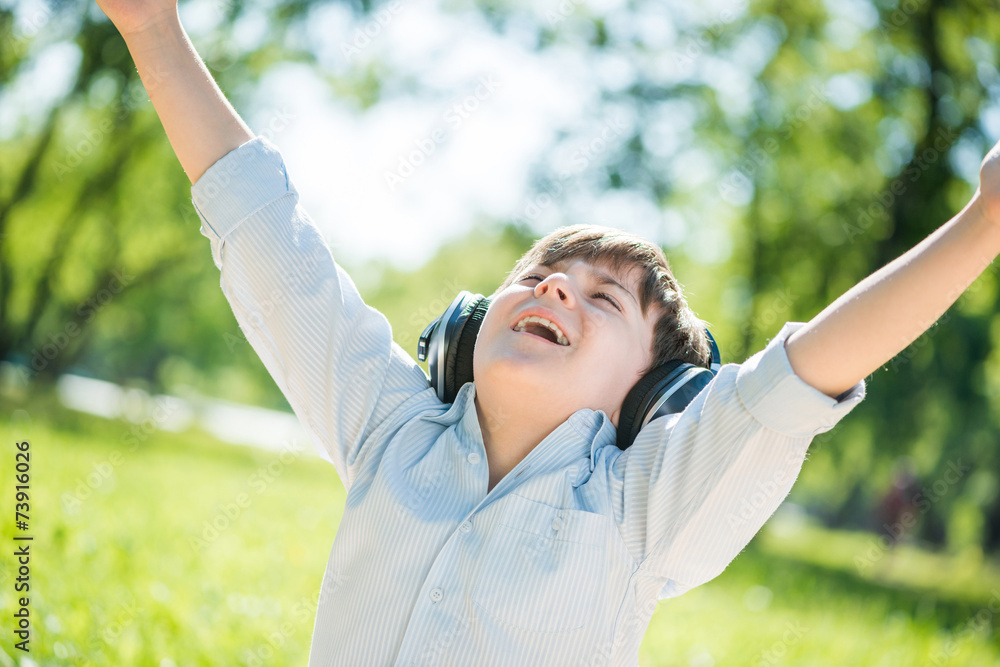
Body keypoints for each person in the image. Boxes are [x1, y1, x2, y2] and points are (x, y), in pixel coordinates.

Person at [94, 0, 1000, 664]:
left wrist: (985, 221)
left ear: (650, 399)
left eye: (603, 300)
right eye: (536, 276)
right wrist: (153, 31)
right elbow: (267, 241)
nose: (557, 289)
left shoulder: (643, 510)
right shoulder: (388, 426)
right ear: (465, 333)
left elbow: (801, 375)